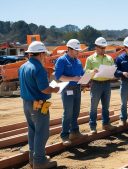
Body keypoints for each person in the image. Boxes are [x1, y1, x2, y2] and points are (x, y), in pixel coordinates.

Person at [19, 41, 59, 169]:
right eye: (45, 55)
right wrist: (54, 89)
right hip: (39, 105)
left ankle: (33, 158)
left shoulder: (23, 67)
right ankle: (40, 161)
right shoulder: (38, 69)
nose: (45, 57)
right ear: (41, 54)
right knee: (42, 133)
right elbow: (44, 89)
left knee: (32, 131)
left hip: (26, 104)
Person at [55, 39, 85, 146]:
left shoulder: (78, 61)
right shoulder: (62, 60)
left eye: (78, 50)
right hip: (67, 89)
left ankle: (75, 132)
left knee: (76, 112)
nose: (78, 52)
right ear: (69, 49)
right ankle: (64, 135)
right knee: (68, 113)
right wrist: (73, 78)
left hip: (77, 89)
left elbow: (82, 74)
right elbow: (59, 77)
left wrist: (86, 78)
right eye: (76, 50)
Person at [84, 37, 117, 133]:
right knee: (94, 106)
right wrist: (92, 71)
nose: (103, 50)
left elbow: (112, 70)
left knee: (106, 106)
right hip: (96, 84)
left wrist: (112, 73)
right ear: (96, 47)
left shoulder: (109, 58)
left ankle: (106, 124)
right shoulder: (90, 59)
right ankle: (92, 126)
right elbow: (85, 72)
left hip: (107, 84)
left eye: (104, 48)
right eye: (101, 48)